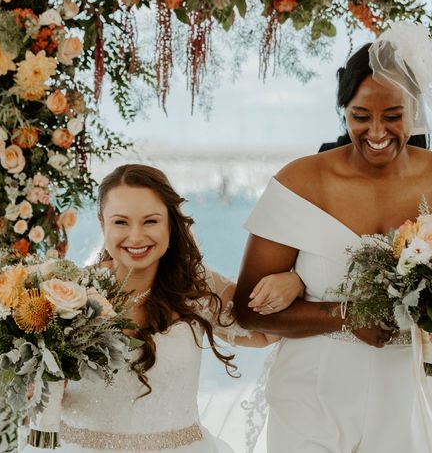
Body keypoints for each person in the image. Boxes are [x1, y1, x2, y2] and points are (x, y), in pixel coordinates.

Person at [234, 22, 432, 453]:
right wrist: (346, 316)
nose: (377, 133)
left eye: (393, 116)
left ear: (415, 110)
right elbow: (247, 310)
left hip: (405, 392)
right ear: (343, 110)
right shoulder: (300, 182)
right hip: (311, 391)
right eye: (360, 117)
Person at [24, 163, 303, 453]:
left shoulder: (198, 289)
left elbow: (267, 335)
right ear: (102, 224)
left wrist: (296, 280)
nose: (135, 236)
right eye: (121, 222)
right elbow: (33, 398)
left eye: (150, 221)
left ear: (170, 224)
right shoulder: (66, 296)